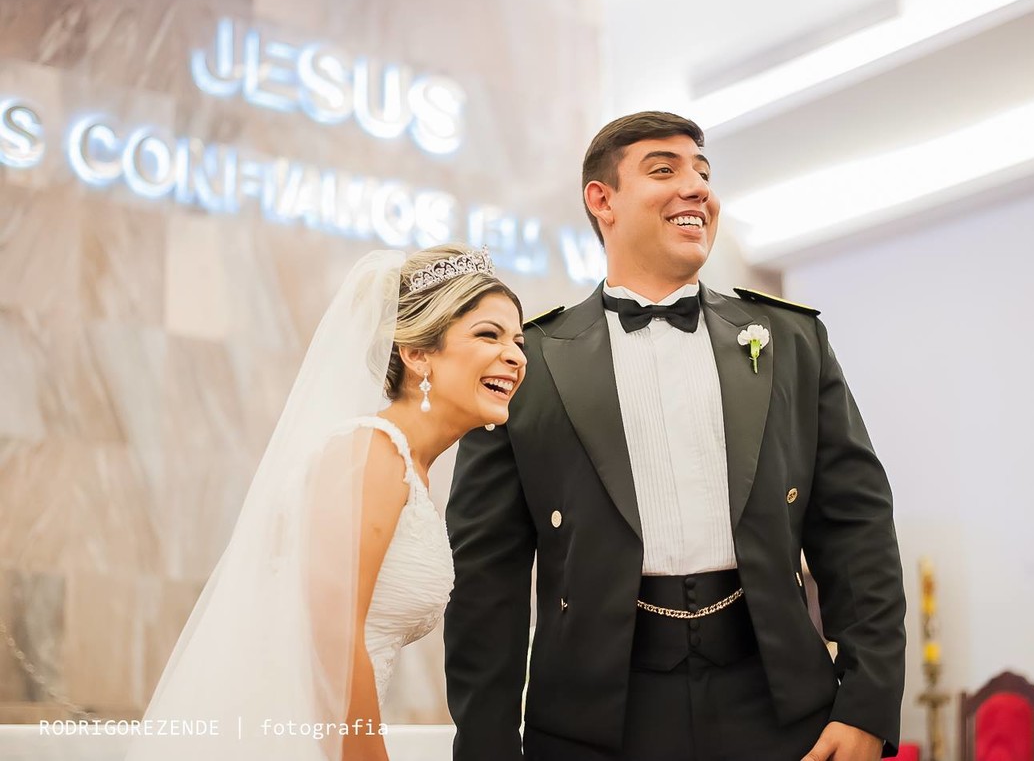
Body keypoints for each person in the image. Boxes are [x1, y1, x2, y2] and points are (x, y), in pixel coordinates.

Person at [444, 112, 906, 761]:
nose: (696, 188)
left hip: (781, 708)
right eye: (664, 170)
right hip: (592, 722)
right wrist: (487, 747)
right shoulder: (528, 361)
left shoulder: (792, 340)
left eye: (703, 173)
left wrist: (866, 703)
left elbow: (857, 527)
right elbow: (485, 581)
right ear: (602, 200)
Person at [127, 244, 526, 761]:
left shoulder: (406, 465)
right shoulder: (372, 454)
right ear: (417, 353)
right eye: (489, 335)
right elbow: (332, 640)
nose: (516, 356)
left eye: (517, 340)